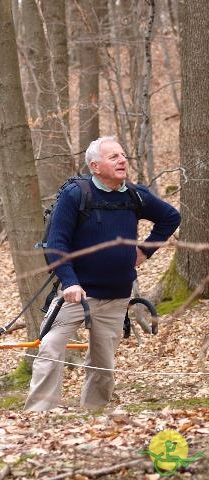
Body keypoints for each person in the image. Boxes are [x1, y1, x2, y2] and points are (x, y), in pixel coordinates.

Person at [25, 136, 181, 412]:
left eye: (123, 155)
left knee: (103, 365)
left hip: (117, 297)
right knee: (50, 348)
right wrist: (70, 283)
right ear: (95, 166)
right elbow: (56, 245)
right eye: (114, 157)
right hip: (75, 297)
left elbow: (170, 217)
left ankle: (93, 417)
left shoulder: (135, 195)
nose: (122, 160)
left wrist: (145, 250)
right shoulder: (76, 195)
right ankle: (39, 415)